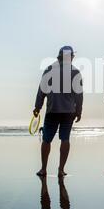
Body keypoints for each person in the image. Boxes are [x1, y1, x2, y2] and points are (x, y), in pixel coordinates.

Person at [33, 46, 83, 177]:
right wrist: (79, 110)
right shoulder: (75, 72)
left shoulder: (49, 70)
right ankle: (61, 169)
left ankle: (43, 169)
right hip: (69, 111)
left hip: (52, 109)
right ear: (71, 57)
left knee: (46, 140)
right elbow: (79, 94)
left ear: (59, 56)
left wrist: (37, 106)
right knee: (65, 139)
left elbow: (41, 91)